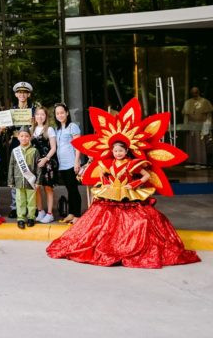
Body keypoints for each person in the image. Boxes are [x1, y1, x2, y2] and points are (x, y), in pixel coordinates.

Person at [47, 98, 200, 268]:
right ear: (112, 151)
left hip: (130, 197)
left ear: (127, 150)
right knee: (100, 224)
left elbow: (146, 176)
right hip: (111, 197)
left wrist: (133, 185)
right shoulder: (108, 163)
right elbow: (103, 174)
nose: (118, 153)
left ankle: (127, 246)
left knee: (141, 221)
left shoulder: (132, 163)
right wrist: (106, 184)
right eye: (115, 151)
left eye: (121, 151)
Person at [6, 81, 34, 219]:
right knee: (16, 174)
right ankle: (14, 206)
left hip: (29, 146)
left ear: (28, 94)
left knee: (29, 175)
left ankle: (30, 208)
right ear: (16, 94)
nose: (22, 95)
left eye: (24, 92)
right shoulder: (11, 111)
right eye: (19, 92)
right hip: (15, 145)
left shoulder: (34, 110)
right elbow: (7, 129)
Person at [54, 102, 82, 224]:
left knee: (74, 189)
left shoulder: (72, 126)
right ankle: (71, 213)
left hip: (71, 163)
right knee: (69, 189)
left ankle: (77, 215)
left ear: (67, 113)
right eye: (57, 113)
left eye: (62, 112)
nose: (60, 115)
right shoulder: (58, 129)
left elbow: (78, 146)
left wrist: (77, 162)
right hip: (62, 164)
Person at [7, 126, 40, 229]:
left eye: (26, 136)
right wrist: (10, 180)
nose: (24, 138)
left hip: (30, 181)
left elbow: (38, 168)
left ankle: (31, 217)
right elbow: (11, 166)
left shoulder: (34, 151)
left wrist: (38, 181)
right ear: (18, 137)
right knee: (20, 200)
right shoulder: (15, 151)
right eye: (22, 136)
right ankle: (20, 218)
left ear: (30, 137)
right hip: (18, 180)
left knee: (31, 200)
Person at [31, 106, 57, 224]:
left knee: (48, 188)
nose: (40, 116)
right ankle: (40, 210)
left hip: (47, 163)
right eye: (38, 114)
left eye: (42, 114)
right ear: (35, 117)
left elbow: (53, 148)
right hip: (35, 163)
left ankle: (50, 213)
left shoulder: (49, 129)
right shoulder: (31, 130)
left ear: (46, 116)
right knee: (36, 187)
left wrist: (45, 159)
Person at [182, 87, 212, 166]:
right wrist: (186, 127)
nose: (194, 94)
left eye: (195, 92)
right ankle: (191, 161)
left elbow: (208, 116)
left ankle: (201, 161)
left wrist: (206, 128)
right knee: (191, 144)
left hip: (201, 125)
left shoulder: (205, 102)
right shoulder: (188, 102)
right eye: (192, 92)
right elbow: (186, 116)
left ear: (198, 92)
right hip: (191, 125)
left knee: (201, 144)